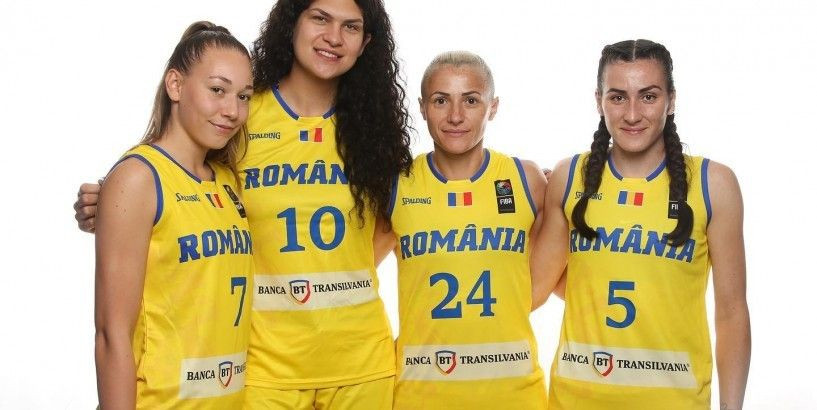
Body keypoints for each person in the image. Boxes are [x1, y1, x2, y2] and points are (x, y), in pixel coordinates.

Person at [81, 0, 412, 408]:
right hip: (259, 368)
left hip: (361, 361)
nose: (333, 37)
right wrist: (110, 201)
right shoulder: (241, 116)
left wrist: (326, 273)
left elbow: (394, 223)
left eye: (351, 27)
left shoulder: (372, 127)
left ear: (366, 42)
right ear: (292, 22)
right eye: (320, 18)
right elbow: (175, 173)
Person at [533, 39, 750, 409]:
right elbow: (536, 288)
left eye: (648, 96)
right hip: (576, 399)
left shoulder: (714, 184)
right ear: (598, 101)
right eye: (617, 97)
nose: (632, 114)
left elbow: (731, 314)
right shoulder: (570, 177)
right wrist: (530, 210)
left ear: (671, 100)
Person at [94, 21, 255, 408]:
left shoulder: (228, 181)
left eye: (244, 96)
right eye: (217, 90)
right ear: (176, 85)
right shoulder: (138, 178)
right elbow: (112, 335)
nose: (232, 111)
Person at [388, 51, 554, 409]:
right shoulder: (396, 185)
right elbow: (355, 272)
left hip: (515, 396)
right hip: (420, 395)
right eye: (440, 100)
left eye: (471, 100)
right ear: (422, 107)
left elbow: (541, 285)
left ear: (492, 107)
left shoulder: (526, 180)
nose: (455, 116)